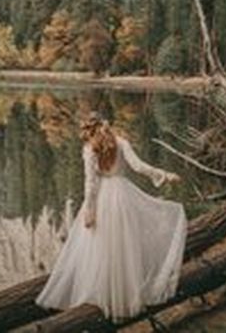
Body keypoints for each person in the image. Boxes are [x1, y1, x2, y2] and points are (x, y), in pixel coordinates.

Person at [35, 111, 187, 320]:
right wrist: (164, 175)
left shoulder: (90, 149)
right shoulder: (121, 142)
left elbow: (91, 184)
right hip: (123, 196)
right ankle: (126, 295)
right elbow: (138, 167)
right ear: (105, 125)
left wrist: (89, 210)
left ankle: (103, 294)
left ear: (89, 130)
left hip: (103, 200)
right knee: (125, 246)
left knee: (100, 247)